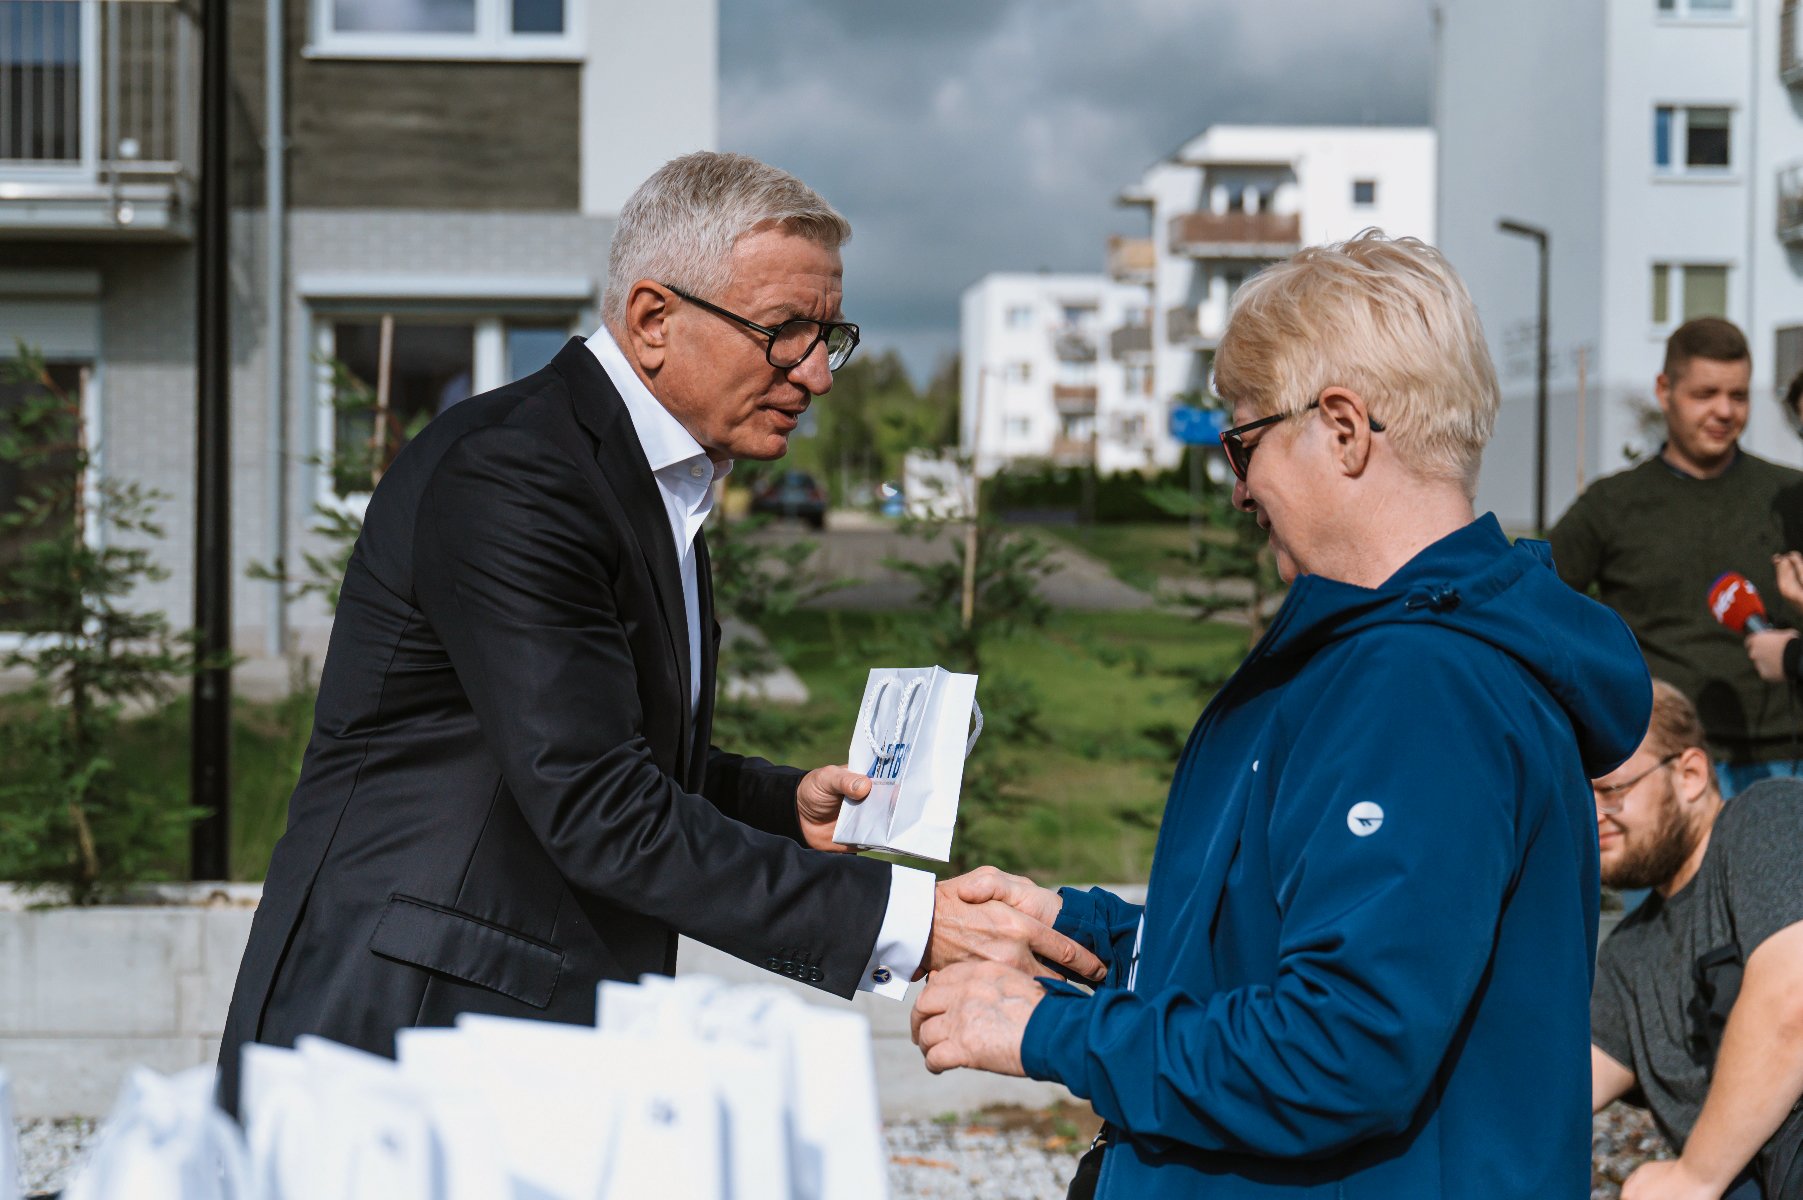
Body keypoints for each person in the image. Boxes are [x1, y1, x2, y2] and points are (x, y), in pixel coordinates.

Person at [218, 152, 1102, 1111]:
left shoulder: (643, 478)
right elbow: (598, 802)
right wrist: (911, 922)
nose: (815, 373)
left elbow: (594, 740)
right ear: (651, 321)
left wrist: (779, 806)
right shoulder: (515, 476)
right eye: (783, 333)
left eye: (827, 335)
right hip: (406, 1031)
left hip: (508, 1016)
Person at [909, 232, 1652, 1199]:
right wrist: (1077, 930)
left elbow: (1342, 1048)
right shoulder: (1381, 660)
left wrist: (1042, 1030)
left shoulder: (1421, 684)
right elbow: (1302, 949)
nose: (1238, 487)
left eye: (1243, 440)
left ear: (1342, 428)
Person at [1551, 319, 1803, 795]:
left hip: (1783, 761)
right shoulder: (1612, 504)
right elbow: (1537, 608)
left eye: (1739, 395)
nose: (1724, 411)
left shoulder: (1791, 495)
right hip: (1658, 763)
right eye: (1705, 394)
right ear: (1664, 390)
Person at [1591, 680, 1803, 1200]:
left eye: (1611, 788)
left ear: (1689, 774)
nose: (1593, 814)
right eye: (1579, 798)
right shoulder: (1627, 957)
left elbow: (1793, 999)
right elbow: (1553, 1089)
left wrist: (1695, 1176)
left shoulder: (1766, 818)